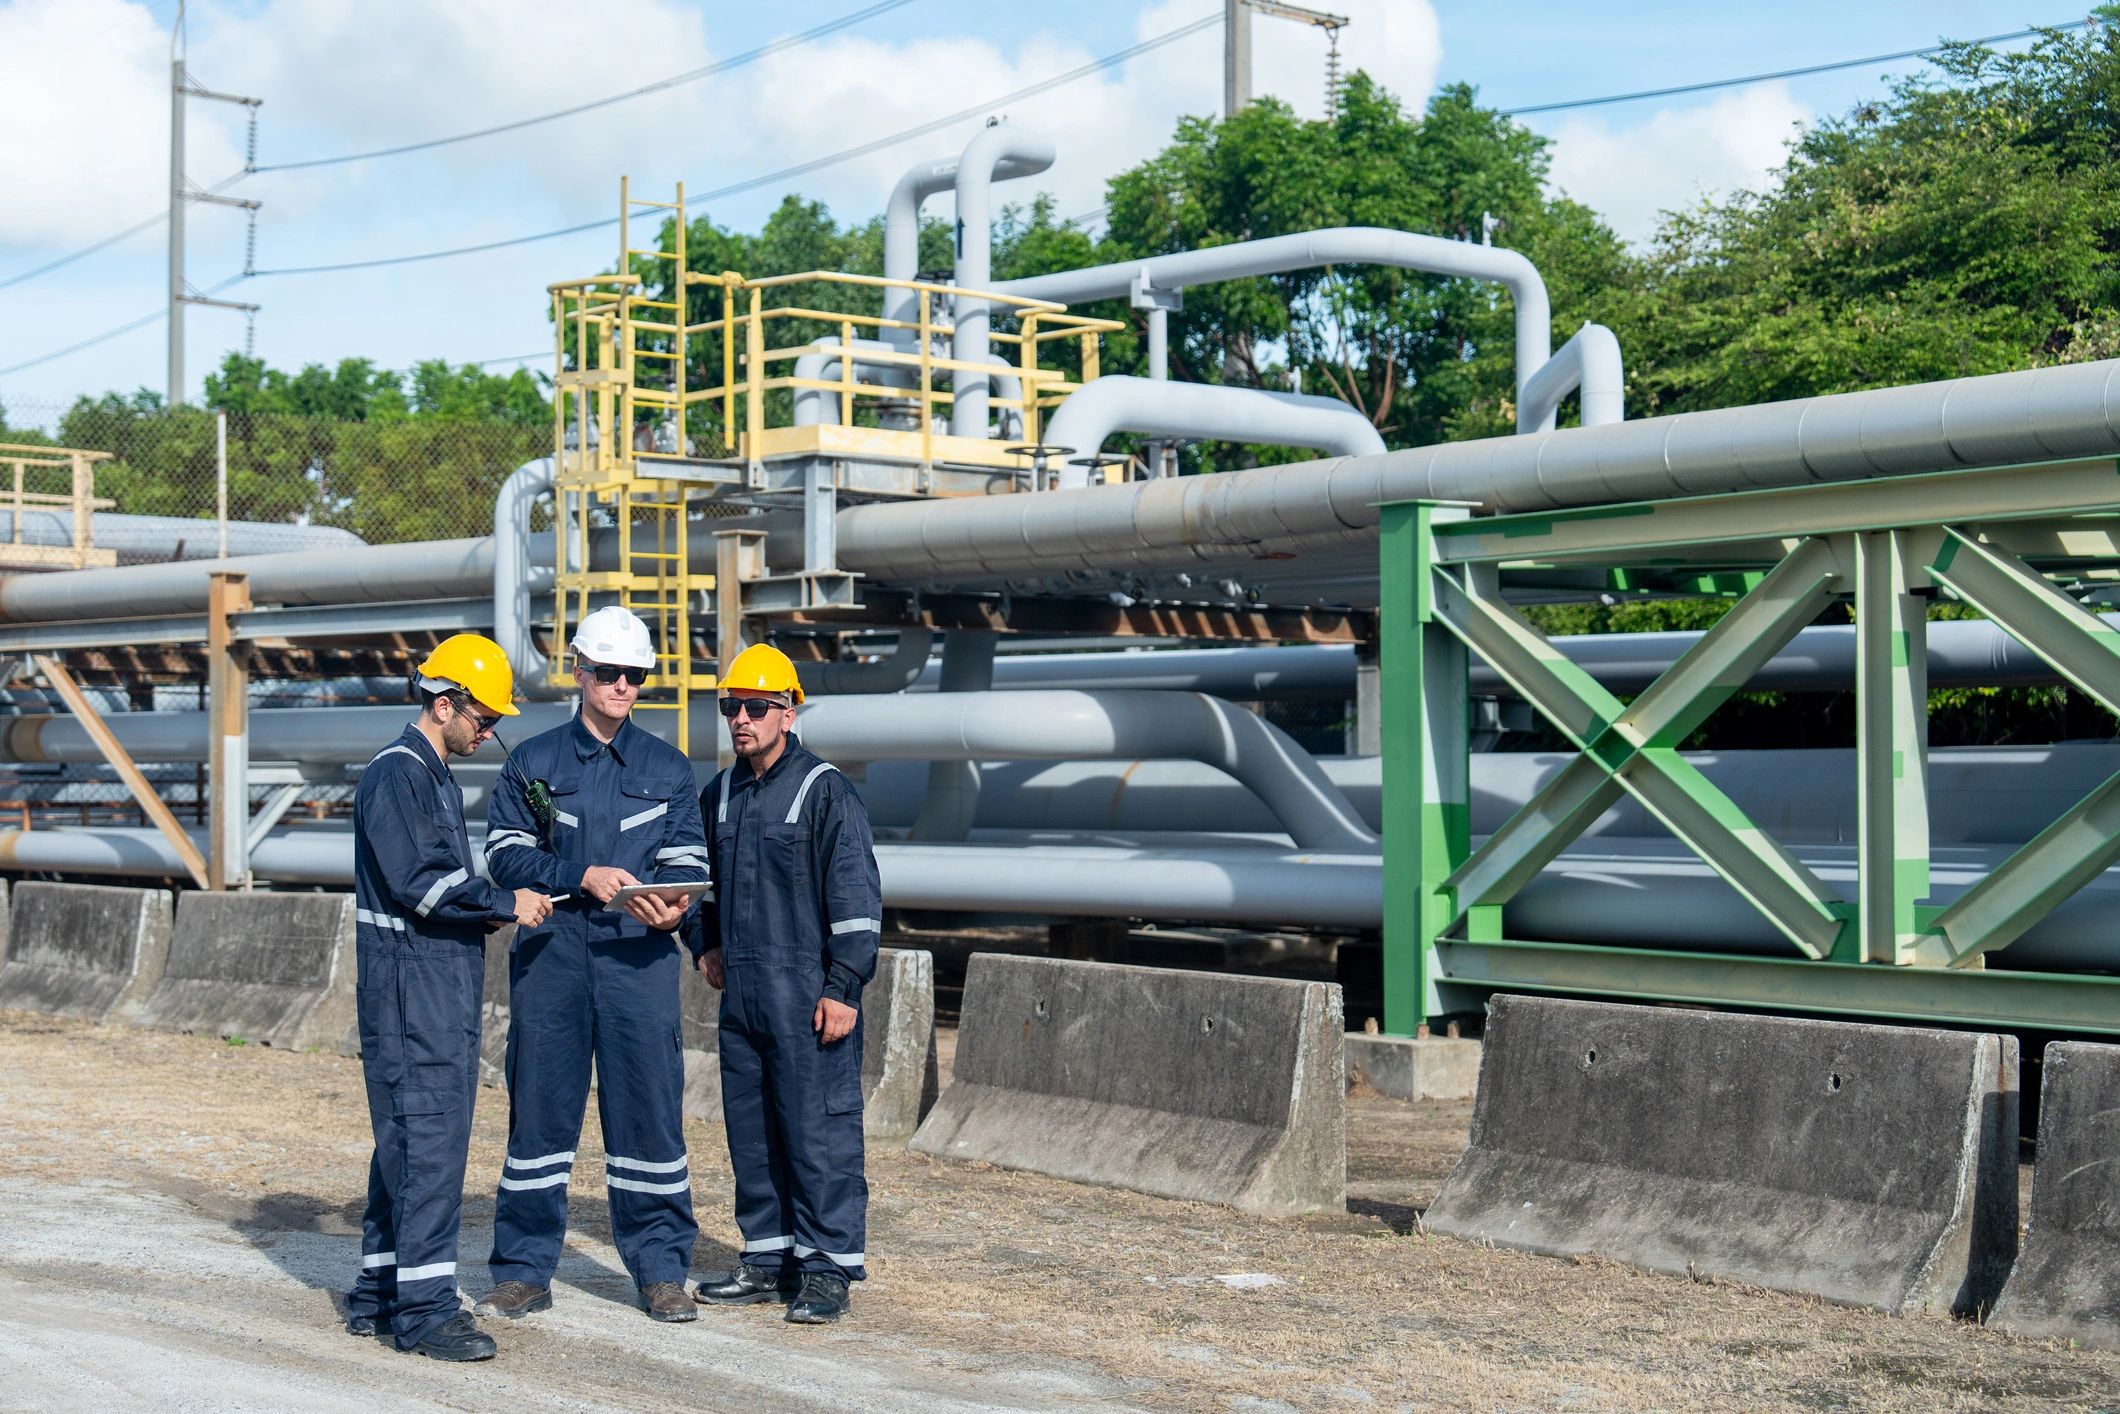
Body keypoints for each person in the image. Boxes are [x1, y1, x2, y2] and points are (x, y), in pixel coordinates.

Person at [478, 605, 710, 1325]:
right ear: (578, 671)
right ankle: (523, 1270)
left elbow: (687, 858)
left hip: (638, 959)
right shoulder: (534, 763)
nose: (620, 685)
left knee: (648, 1114)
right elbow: (502, 854)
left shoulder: (668, 768)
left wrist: (676, 908)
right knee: (541, 1114)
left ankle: (662, 1270)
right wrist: (580, 874)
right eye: (607, 672)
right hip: (553, 956)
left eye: (633, 675)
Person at [346, 634, 552, 1361]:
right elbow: (422, 885)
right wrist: (505, 900)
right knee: (428, 1143)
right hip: (413, 990)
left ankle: (379, 1290)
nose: (490, 732)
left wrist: (501, 903)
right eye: (485, 718)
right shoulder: (400, 775)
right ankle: (427, 1311)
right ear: (444, 704)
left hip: (430, 985)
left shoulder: (428, 773)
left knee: (406, 1143)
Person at [687, 642, 882, 1325]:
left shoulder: (824, 790)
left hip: (807, 995)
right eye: (731, 707)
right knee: (754, 1131)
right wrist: (702, 943)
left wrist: (844, 985)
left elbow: (855, 895)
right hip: (742, 994)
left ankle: (827, 1269)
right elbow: (695, 883)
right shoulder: (718, 794)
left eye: (757, 707)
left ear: (789, 712)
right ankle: (767, 1259)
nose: (741, 719)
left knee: (818, 1132)